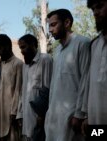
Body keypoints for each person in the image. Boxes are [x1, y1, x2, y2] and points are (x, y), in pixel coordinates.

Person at [44, 9, 91, 141]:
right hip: (54, 115)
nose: (50, 30)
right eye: (49, 26)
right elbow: (55, 85)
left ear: (67, 23)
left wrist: (80, 114)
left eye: (53, 25)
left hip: (72, 117)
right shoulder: (57, 50)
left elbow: (86, 81)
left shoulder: (83, 43)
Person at [17, 34, 53, 141]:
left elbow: (48, 89)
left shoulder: (45, 60)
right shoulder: (25, 66)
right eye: (20, 48)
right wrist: (20, 113)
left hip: (40, 118)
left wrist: (42, 115)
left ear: (33, 45)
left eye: (24, 47)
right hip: (27, 117)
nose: (22, 51)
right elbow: (23, 91)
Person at [81, 0, 107, 135]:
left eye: (100, 6)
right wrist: (86, 116)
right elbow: (89, 83)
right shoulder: (94, 45)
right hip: (96, 123)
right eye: (93, 9)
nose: (96, 13)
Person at [0, 34, 23, 141]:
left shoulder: (18, 64)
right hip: (0, 110)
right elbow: (1, 88)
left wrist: (14, 112)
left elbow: (18, 89)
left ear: (7, 46)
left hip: (11, 112)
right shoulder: (3, 64)